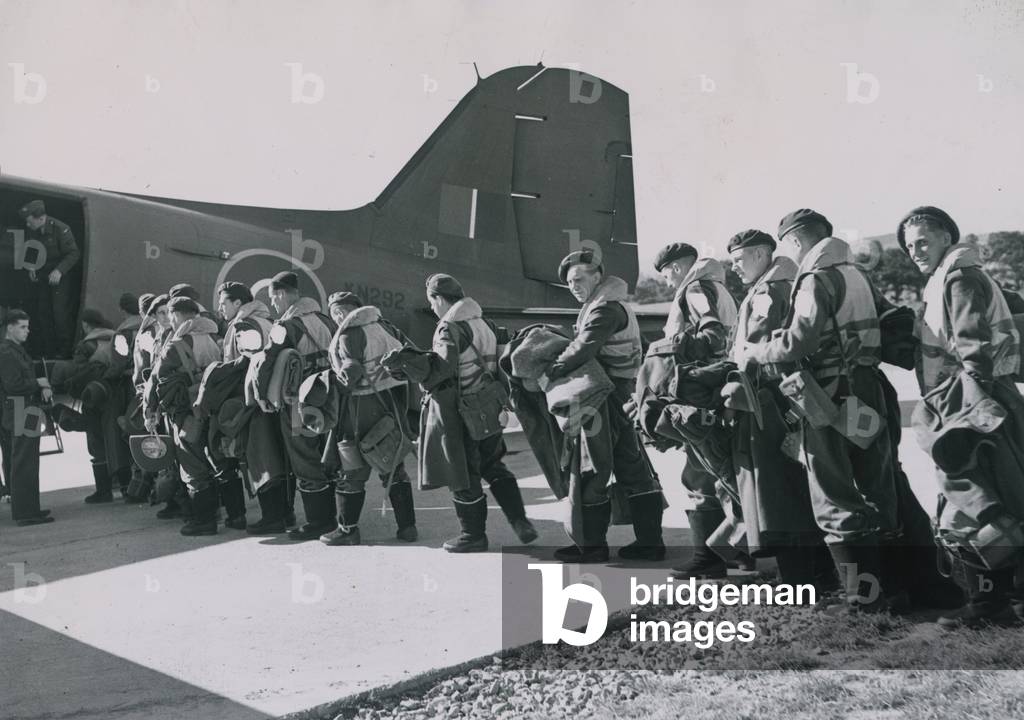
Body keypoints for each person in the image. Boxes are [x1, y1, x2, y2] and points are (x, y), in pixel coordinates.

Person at [743, 209, 899, 612]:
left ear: (795, 241)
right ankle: (892, 587)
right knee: (875, 487)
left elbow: (799, 341)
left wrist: (756, 351)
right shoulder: (856, 272)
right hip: (867, 387)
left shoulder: (816, 278)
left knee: (833, 493)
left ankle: (861, 599)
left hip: (829, 394)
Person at [899, 206, 1024, 628]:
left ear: (946, 239)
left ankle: (989, 607)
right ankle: (1006, 602)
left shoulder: (957, 278)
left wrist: (971, 410)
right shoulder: (960, 274)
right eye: (909, 246)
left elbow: (973, 344)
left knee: (972, 502)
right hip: (987, 396)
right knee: (1002, 497)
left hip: (974, 399)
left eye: (923, 242)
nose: (915, 251)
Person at [385, 274, 537, 552]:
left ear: (440, 298)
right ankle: (520, 521)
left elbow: (441, 371)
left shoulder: (449, 328)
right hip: (489, 408)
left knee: (462, 474)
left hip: (462, 413)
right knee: (493, 465)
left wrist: (408, 364)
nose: (432, 308)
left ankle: (472, 535)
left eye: (432, 302)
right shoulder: (484, 323)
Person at [724, 229, 830, 587]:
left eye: (738, 259)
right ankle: (814, 575)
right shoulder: (779, 284)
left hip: (769, 400)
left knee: (777, 491)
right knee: (793, 485)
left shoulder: (769, 291)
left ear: (760, 254)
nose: (734, 267)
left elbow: (757, 347)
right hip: (779, 398)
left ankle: (800, 581)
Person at [549, 251, 664, 562]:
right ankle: (650, 543)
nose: (573, 286)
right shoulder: (611, 305)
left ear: (597, 277)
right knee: (632, 466)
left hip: (603, 396)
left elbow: (584, 346)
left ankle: (592, 547)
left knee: (592, 467)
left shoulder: (604, 309)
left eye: (579, 279)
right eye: (569, 282)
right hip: (623, 394)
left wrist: (551, 370)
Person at [652, 242, 740, 577]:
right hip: (721, 384)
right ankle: (735, 552)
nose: (667, 283)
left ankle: (707, 559)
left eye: (666, 275)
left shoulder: (695, 290)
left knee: (698, 472)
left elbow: (712, 334)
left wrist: (677, 355)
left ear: (677, 267)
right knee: (721, 468)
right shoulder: (719, 287)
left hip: (699, 389)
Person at [320, 291, 419, 545]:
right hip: (390, 404)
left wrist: (331, 382)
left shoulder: (348, 334)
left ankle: (348, 530)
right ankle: (408, 528)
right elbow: (412, 355)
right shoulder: (386, 327)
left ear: (341, 311)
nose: (336, 318)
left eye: (335, 313)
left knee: (351, 469)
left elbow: (350, 374)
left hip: (359, 409)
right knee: (394, 467)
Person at [256, 271, 338, 541]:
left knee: (303, 457)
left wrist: (262, 395)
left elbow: (267, 361)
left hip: (299, 403)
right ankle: (333, 517)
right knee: (326, 455)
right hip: (330, 397)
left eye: (273, 298)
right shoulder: (327, 320)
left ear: (282, 294)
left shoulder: (286, 326)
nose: (273, 304)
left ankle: (319, 521)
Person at [214, 281, 289, 534]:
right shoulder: (267, 321)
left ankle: (273, 517)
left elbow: (247, 367)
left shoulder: (244, 326)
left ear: (238, 303)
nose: (220, 308)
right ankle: (284, 514)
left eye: (224, 302)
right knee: (274, 456)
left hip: (252, 403)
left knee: (260, 458)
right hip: (271, 399)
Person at [144, 296, 222, 535]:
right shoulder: (216, 337)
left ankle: (204, 521)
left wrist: (150, 411)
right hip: (214, 409)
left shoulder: (176, 345)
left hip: (186, 413)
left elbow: (155, 379)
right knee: (214, 462)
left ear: (176, 314)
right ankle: (220, 513)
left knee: (192, 465)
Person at [51, 308, 117, 503]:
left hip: (93, 397)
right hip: (115, 396)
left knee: (96, 442)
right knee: (116, 439)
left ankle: (104, 491)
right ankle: (126, 485)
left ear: (86, 325)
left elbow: (79, 373)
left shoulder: (86, 345)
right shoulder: (115, 338)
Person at [0, 310, 54, 525]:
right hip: (19, 407)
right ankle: (24, 513)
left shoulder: (16, 350)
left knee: (30, 458)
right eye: (22, 327)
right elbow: (13, 385)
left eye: (27, 326)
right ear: (10, 328)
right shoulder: (6, 352)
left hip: (27, 407)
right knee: (23, 460)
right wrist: (39, 383)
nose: (27, 331)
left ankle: (31, 509)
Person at [19, 200, 80, 358]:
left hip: (60, 277)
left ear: (40, 218)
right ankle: (49, 351)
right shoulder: (33, 230)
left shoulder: (61, 229)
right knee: (43, 313)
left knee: (60, 315)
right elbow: (32, 248)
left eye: (29, 221)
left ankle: (65, 352)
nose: (27, 224)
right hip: (44, 276)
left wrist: (59, 271)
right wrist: (31, 267)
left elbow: (73, 253)